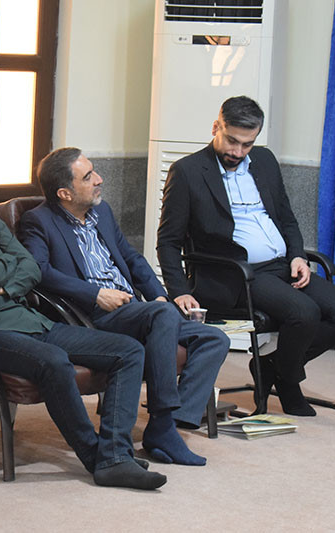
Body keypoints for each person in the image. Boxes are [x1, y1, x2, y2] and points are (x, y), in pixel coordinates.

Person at [0, 134, 167, 490]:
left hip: (29, 319)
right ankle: (101, 458)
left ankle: (114, 454)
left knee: (129, 350)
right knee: (53, 361)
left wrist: (4, 284)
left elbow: (29, 266)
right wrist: (6, 269)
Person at [19, 147, 230, 465]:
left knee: (215, 338)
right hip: (93, 315)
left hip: (135, 309)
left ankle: (166, 425)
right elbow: (40, 272)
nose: (99, 179)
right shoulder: (38, 221)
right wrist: (95, 294)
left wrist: (158, 295)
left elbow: (131, 258)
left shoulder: (101, 212)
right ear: (64, 193)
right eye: (88, 177)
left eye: (94, 171)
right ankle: (163, 427)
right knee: (162, 315)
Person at [157, 95, 335, 416]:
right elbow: (168, 240)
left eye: (247, 144)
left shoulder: (264, 160)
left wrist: (297, 255)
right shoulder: (188, 171)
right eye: (232, 141)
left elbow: (286, 217)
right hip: (238, 274)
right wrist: (179, 290)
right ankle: (289, 382)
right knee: (304, 313)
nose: (238, 152)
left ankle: (272, 366)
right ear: (216, 127)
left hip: (281, 266)